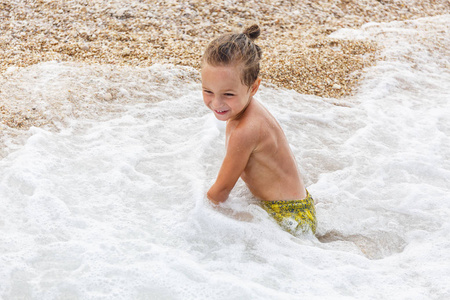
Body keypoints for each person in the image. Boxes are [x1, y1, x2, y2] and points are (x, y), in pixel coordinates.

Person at [201, 24, 316, 234]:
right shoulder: (247, 109)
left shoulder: (246, 130)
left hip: (288, 217)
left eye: (228, 94)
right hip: (298, 208)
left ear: (253, 87)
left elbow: (220, 192)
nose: (216, 103)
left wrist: (193, 218)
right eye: (208, 91)